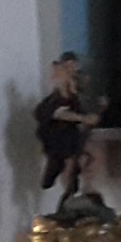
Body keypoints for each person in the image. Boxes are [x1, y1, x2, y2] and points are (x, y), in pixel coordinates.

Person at [34, 55, 99, 204]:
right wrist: (82, 118)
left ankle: (86, 186)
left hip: (75, 136)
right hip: (60, 138)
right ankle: (69, 192)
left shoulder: (76, 94)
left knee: (93, 156)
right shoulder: (54, 99)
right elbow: (57, 113)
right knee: (69, 163)